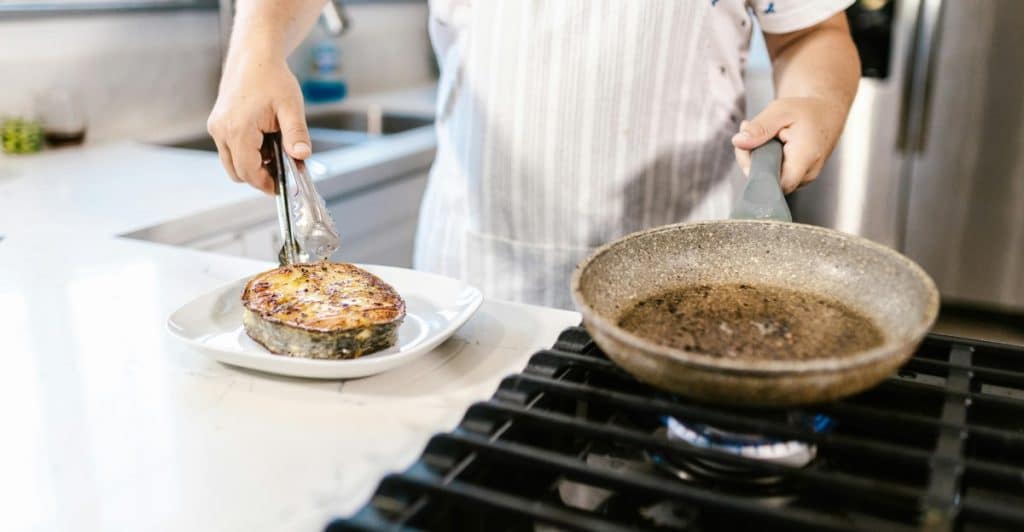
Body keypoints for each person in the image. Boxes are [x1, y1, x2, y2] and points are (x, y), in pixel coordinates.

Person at [208, 1, 860, 309]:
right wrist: (255, 50)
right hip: (476, 283)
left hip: (686, 285)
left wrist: (816, 101)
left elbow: (812, 34)